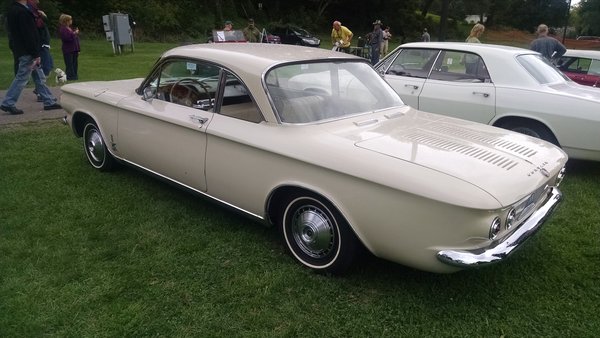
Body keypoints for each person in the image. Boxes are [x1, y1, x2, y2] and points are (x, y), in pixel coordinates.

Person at [1, 0, 61, 115]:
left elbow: (12, 33)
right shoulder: (23, 12)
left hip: (21, 49)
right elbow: (29, 34)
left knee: (39, 76)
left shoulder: (13, 10)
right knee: (22, 77)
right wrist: (35, 54)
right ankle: (8, 102)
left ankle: (48, 101)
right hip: (28, 51)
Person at [59, 13, 80, 80]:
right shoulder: (63, 29)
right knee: (69, 64)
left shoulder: (69, 28)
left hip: (74, 49)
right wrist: (74, 34)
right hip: (68, 49)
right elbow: (66, 38)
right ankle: (70, 76)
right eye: (70, 20)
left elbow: (75, 39)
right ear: (66, 21)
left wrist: (78, 49)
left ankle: (74, 76)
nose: (71, 21)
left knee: (74, 63)